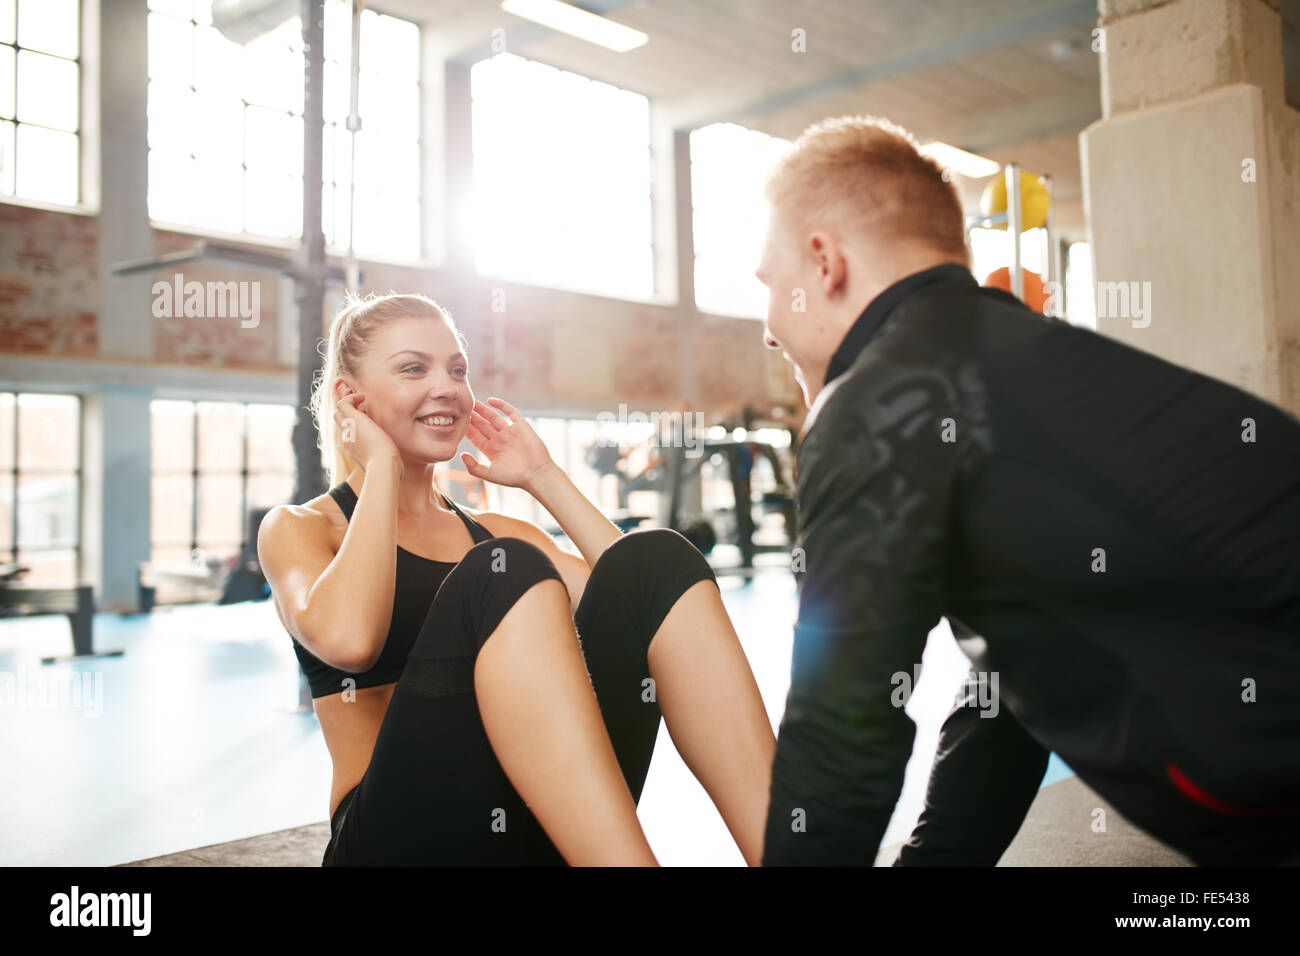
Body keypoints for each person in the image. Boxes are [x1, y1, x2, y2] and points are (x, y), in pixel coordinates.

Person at [754, 115, 1300, 866]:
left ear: (825, 263)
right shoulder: (1019, 365)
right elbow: (1014, 678)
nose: (767, 324)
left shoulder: (883, 402)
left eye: (769, 282)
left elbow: (842, 737)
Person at [256, 292, 775, 866]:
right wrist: (378, 464)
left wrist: (542, 476)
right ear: (350, 399)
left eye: (457, 369)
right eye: (413, 368)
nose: (448, 386)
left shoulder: (499, 535)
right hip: (395, 844)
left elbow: (650, 598)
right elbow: (350, 642)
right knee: (504, 571)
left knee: (657, 554)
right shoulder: (303, 529)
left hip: (525, 829)